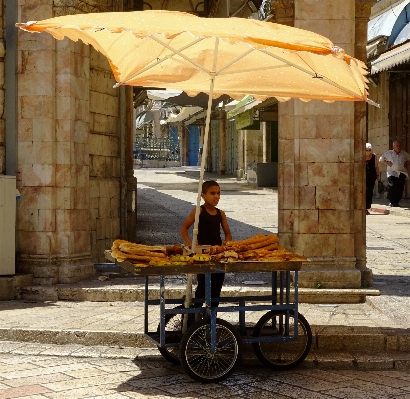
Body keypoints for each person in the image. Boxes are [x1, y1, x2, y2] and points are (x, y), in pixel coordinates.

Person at [180, 180, 232, 308]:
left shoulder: (221, 214)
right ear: (203, 196)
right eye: (212, 193)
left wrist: (227, 243)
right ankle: (196, 317)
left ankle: (211, 321)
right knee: (202, 288)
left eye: (218, 193)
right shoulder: (199, 211)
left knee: (216, 290)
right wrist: (191, 244)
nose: (216, 196)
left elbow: (228, 234)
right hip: (202, 256)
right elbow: (183, 229)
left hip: (217, 255)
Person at [379, 140, 410, 207]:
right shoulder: (389, 153)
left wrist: (406, 163)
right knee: (393, 186)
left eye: (399, 146)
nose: (398, 147)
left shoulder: (404, 153)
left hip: (402, 172)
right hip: (392, 172)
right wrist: (387, 163)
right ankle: (391, 201)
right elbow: (381, 159)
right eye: (397, 146)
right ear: (393, 146)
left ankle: (396, 202)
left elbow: (409, 158)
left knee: (400, 188)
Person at [365, 143, 380, 215]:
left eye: (369, 150)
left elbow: (376, 167)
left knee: (369, 192)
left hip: (371, 177)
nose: (368, 151)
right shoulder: (361, 156)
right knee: (363, 192)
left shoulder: (374, 156)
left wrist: (378, 176)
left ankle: (366, 207)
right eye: (366, 150)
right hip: (363, 177)